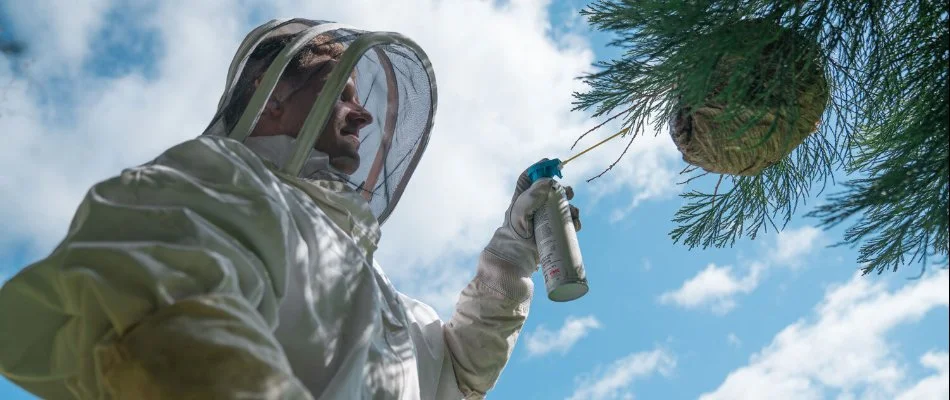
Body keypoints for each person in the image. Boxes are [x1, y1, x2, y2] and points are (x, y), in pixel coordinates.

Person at [0, 19, 581, 399]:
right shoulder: (219, 185)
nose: (364, 114)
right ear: (272, 97)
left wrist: (508, 257)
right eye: (341, 93)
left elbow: (456, 374)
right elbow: (165, 330)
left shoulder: (378, 294)